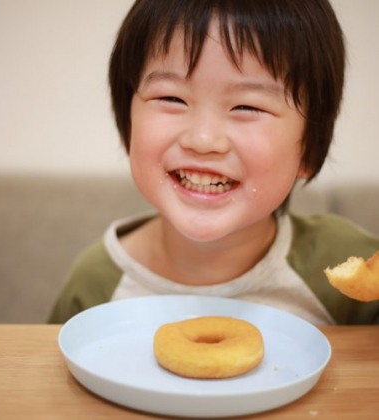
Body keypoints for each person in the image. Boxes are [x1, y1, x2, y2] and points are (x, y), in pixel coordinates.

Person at [48, 0, 379, 325]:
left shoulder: (349, 266)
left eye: (247, 107)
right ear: (128, 127)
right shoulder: (96, 285)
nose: (203, 140)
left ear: (308, 148)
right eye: (171, 98)